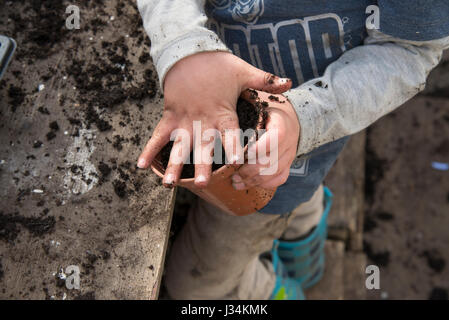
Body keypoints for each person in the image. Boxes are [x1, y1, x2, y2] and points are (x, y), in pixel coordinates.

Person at [136, 0, 449, 299]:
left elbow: (408, 50)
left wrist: (305, 119)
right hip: (225, 124)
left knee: (195, 289)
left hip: (283, 158)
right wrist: (185, 47)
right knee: (298, 193)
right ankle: (304, 251)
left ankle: (278, 291)